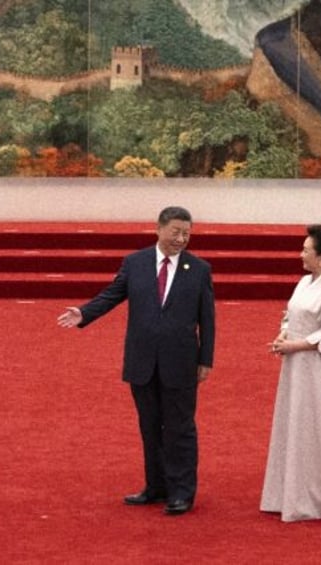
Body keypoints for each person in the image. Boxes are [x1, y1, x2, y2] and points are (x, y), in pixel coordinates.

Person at [57, 206, 215, 516]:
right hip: (142, 361)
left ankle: (182, 492)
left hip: (181, 361)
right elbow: (112, 294)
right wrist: (84, 313)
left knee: (180, 429)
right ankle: (155, 486)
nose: (181, 239)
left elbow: (207, 319)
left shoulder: (199, 269)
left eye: (186, 234)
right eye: (175, 233)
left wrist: (205, 358)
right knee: (150, 426)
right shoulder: (136, 263)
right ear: (159, 229)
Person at [260, 224, 321, 522]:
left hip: (315, 369)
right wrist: (282, 335)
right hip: (294, 364)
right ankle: (286, 492)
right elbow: (291, 314)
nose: (301, 254)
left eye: (306, 250)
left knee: (312, 426)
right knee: (292, 423)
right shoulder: (303, 282)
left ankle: (314, 497)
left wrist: (295, 345)